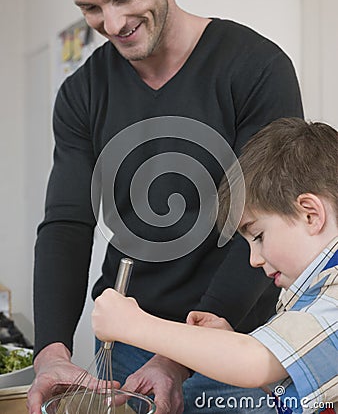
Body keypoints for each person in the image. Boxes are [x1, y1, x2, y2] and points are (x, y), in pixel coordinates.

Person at [27, 0, 304, 413]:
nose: (113, 25)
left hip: (236, 338)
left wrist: (177, 355)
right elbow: (66, 224)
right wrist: (51, 350)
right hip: (133, 343)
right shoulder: (82, 93)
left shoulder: (256, 67)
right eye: (90, 8)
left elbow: (267, 220)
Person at [92, 118, 338, 414]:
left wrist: (132, 325)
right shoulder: (313, 292)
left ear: (311, 215)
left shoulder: (333, 296)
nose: (253, 259)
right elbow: (297, 375)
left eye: (258, 236)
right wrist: (230, 342)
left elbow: (254, 363)